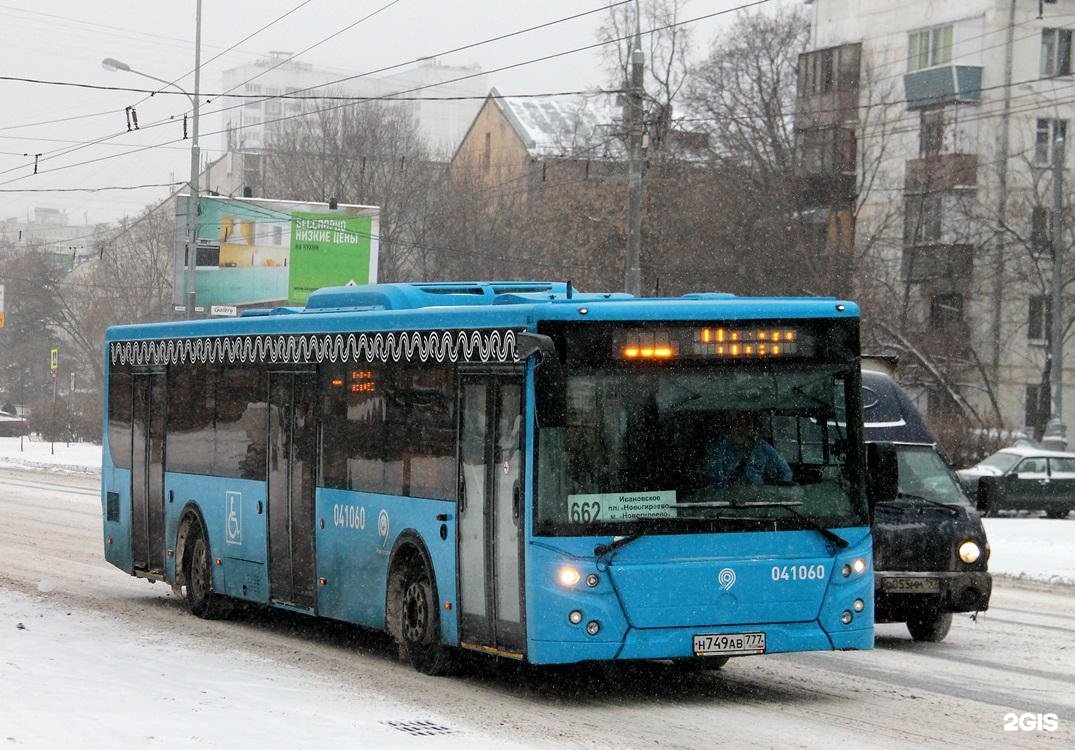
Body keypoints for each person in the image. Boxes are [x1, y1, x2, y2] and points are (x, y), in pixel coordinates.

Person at [706, 410, 792, 487]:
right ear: (731, 421)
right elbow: (715, 481)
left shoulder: (760, 446)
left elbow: (786, 472)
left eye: (750, 418)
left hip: (759, 499)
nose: (749, 423)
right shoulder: (719, 448)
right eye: (742, 418)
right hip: (731, 499)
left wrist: (776, 491)